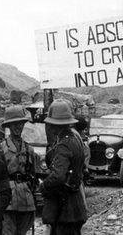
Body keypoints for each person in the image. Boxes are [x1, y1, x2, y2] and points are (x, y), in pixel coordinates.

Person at [39, 100, 87, 235]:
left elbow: (58, 176)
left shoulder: (63, 144)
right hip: (75, 203)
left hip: (64, 207)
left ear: (53, 124)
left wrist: (43, 186)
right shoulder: (75, 138)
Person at [0, 106, 38, 235]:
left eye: (21, 123)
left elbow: (33, 175)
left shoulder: (29, 149)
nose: (18, 127)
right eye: (14, 124)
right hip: (6, 199)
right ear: (9, 126)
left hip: (25, 200)